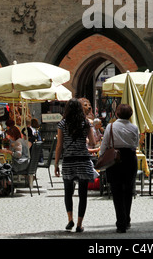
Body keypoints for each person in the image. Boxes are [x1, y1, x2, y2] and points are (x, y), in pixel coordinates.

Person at [54, 98, 97, 233]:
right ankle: (79, 224)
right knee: (83, 194)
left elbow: (59, 146)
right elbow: (93, 143)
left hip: (68, 161)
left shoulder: (62, 124)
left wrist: (56, 164)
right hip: (83, 160)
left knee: (68, 192)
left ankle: (70, 219)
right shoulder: (85, 123)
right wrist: (85, 138)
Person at [99, 103, 139, 233]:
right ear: (130, 115)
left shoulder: (110, 126)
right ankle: (126, 219)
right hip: (130, 159)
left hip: (115, 159)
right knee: (128, 190)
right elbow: (135, 144)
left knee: (116, 192)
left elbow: (104, 144)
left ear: (117, 114)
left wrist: (101, 158)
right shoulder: (134, 128)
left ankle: (120, 222)